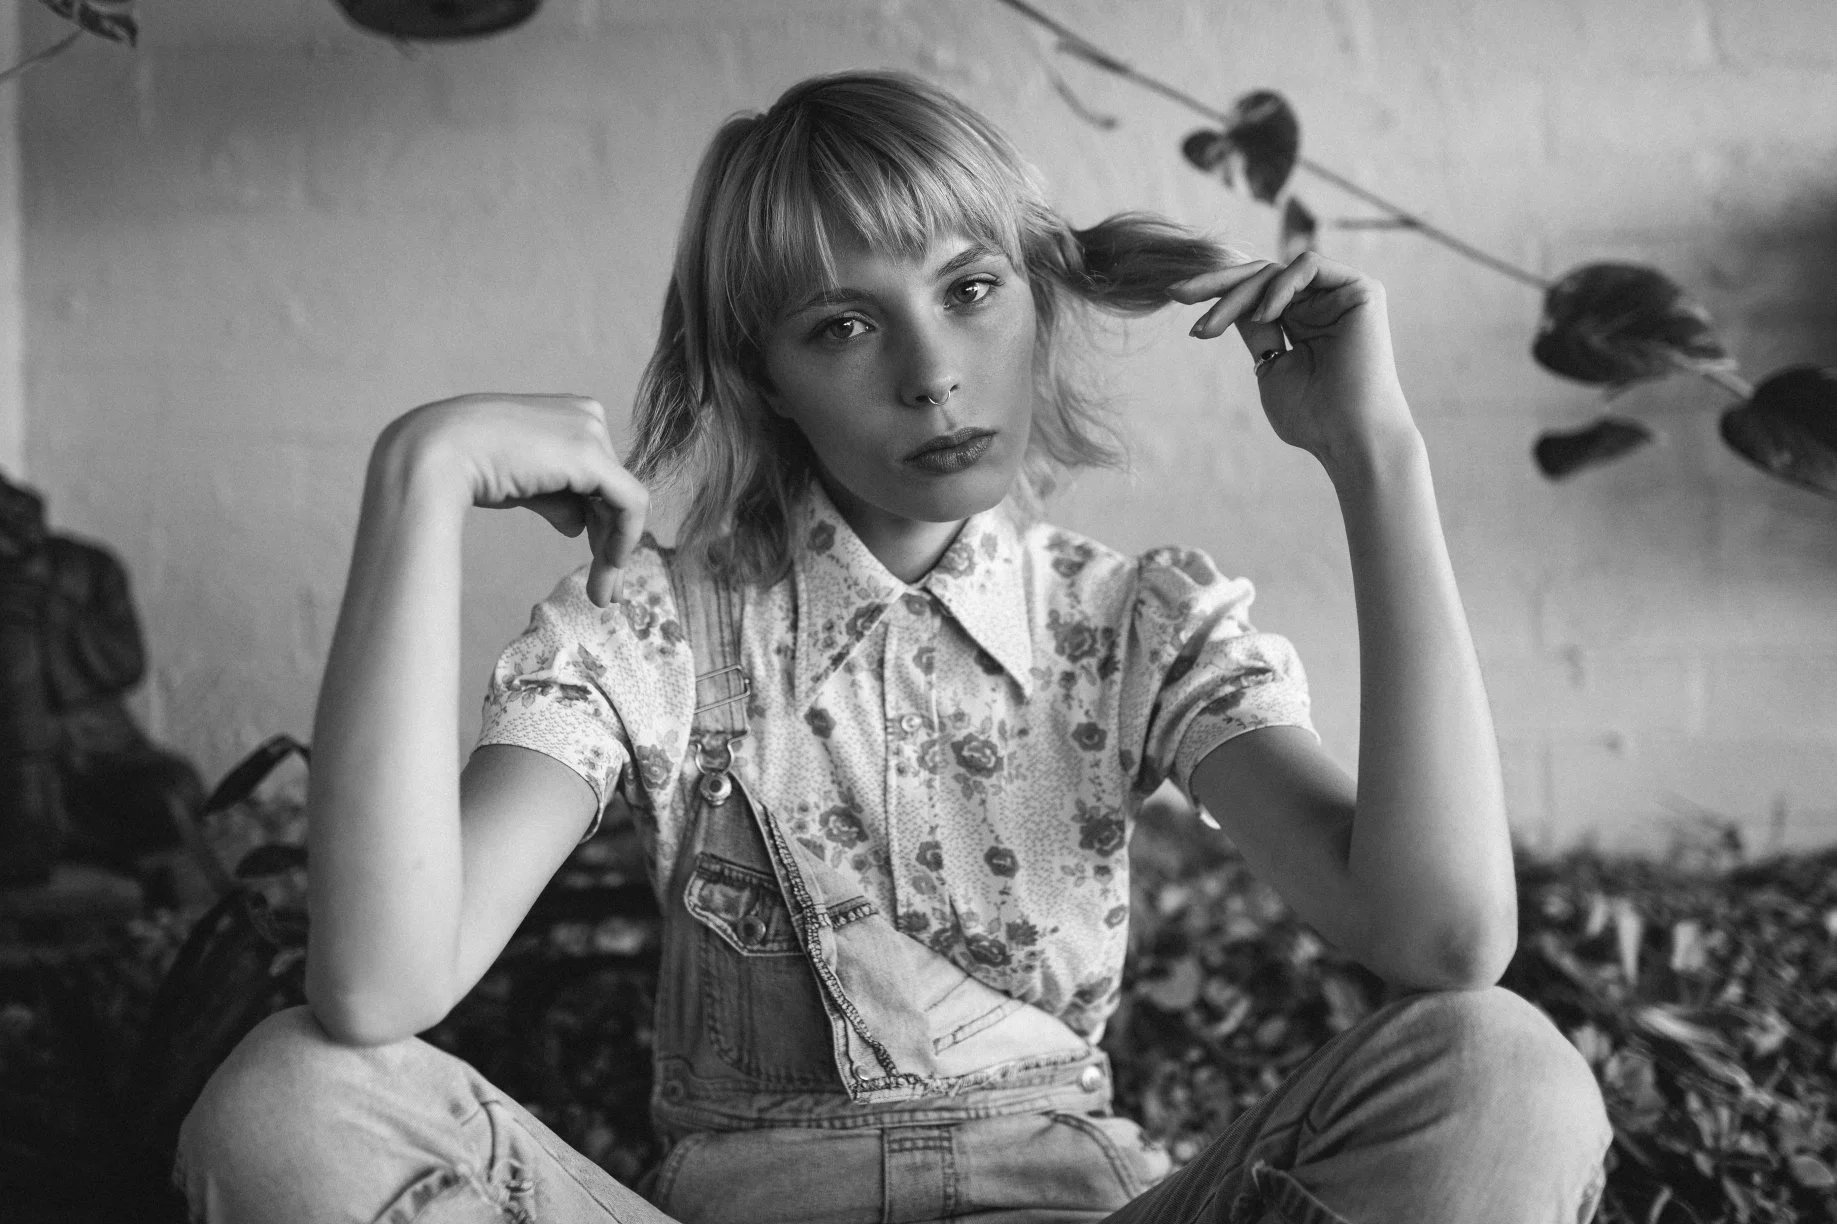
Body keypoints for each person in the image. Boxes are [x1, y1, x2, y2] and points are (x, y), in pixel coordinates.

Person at [174, 70, 1611, 1224]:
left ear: (1037, 300)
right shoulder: (650, 632)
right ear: (763, 377)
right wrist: (416, 483)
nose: (931, 372)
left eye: (970, 289)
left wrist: (1375, 453)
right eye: (845, 323)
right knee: (289, 1097)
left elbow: (1440, 940)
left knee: (1501, 1067)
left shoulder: (1129, 630)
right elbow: (375, 993)